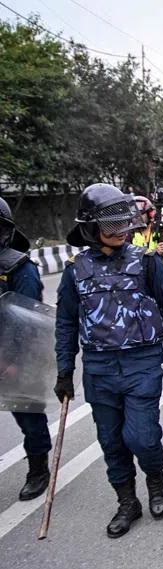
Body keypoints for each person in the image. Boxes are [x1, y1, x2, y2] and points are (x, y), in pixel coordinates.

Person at [55, 184, 163, 538]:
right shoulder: (74, 270)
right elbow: (66, 322)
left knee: (142, 437)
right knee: (111, 441)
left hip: (142, 363)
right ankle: (127, 502)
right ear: (89, 227)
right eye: (110, 225)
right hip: (99, 369)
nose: (121, 231)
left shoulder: (145, 262)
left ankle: (156, 479)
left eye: (123, 223)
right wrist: (65, 370)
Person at [0, 197, 52, 501]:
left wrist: (13, 360)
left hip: (18, 355)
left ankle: (38, 467)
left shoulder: (20, 268)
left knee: (27, 414)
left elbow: (29, 320)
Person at [131, 196, 163, 265]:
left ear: (150, 214)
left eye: (141, 214)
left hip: (160, 273)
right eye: (134, 214)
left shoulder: (160, 228)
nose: (136, 217)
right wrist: (153, 252)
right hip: (137, 273)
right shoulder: (128, 233)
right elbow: (126, 256)